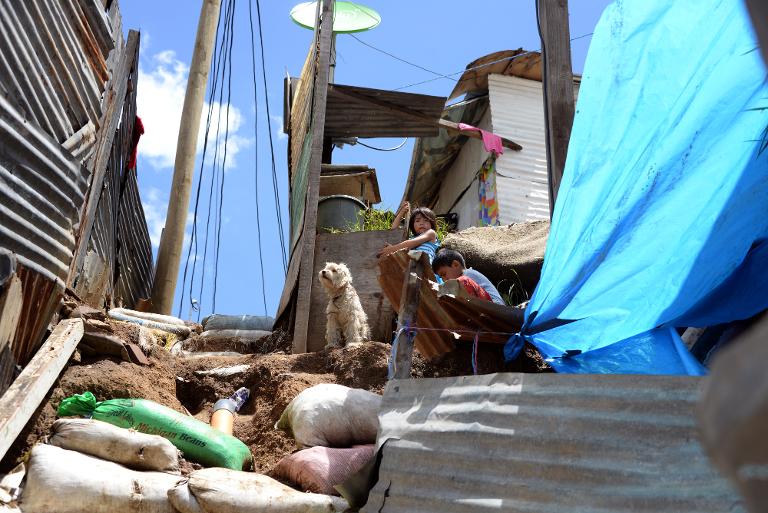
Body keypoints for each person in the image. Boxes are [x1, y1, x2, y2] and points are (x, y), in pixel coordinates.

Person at [431, 249, 505, 305]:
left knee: (462, 281)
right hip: (484, 306)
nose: (444, 280)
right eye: (441, 277)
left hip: (496, 306)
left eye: (444, 274)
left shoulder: (468, 274)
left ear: (455, 264)